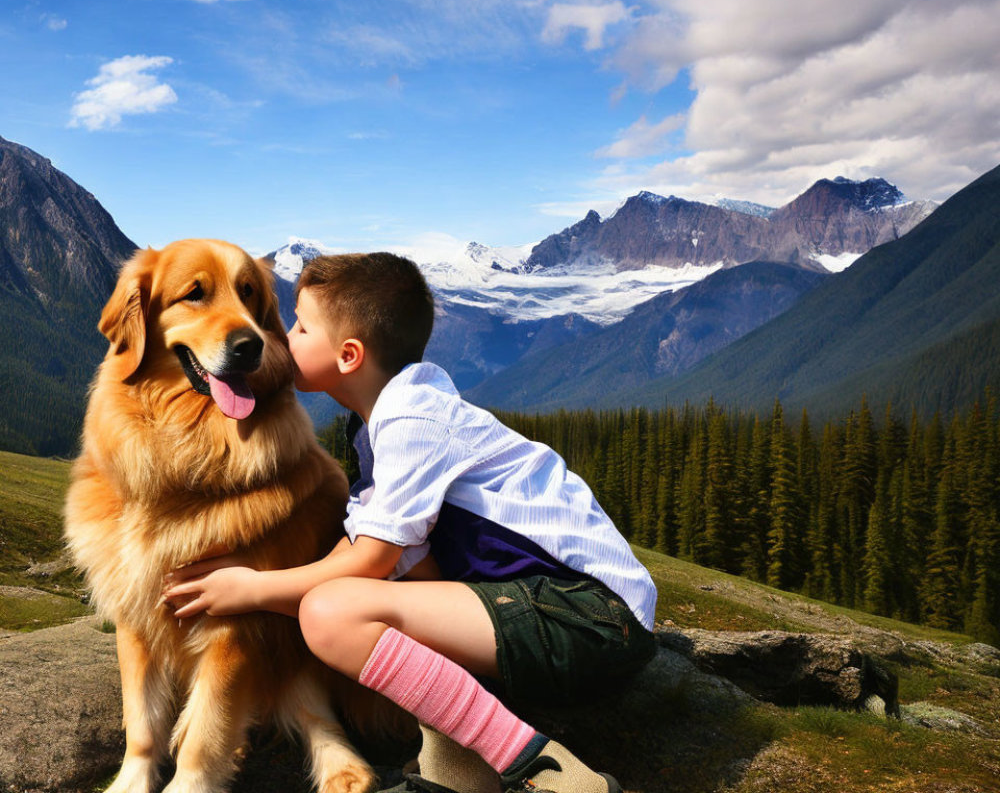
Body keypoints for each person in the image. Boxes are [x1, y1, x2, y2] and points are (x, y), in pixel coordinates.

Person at [162, 252, 658, 793]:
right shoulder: (387, 420)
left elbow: (370, 560)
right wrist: (250, 587)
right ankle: (461, 771)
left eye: (301, 326)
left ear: (348, 356)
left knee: (331, 612)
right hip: (560, 609)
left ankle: (544, 772)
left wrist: (253, 588)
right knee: (371, 585)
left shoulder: (412, 420)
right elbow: (364, 552)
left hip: (593, 615)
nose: (282, 335)